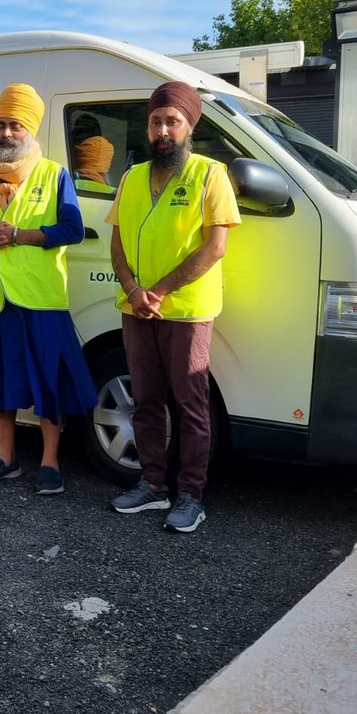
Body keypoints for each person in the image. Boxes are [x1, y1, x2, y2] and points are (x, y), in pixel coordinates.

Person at [105, 82, 241, 532]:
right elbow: (118, 240)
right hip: (136, 306)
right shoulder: (131, 177)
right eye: (156, 121)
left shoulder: (210, 174)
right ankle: (152, 486)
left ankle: (191, 497)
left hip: (185, 310)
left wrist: (158, 291)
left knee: (190, 405)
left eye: (172, 121)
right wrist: (133, 289)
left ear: (189, 126)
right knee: (144, 399)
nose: (163, 130)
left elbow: (215, 248)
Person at [0, 83, 98, 496]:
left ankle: (50, 462)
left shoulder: (54, 174)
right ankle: (6, 458)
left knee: (48, 382)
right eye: (1, 124)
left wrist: (19, 234)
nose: (5, 133)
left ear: (31, 130)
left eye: (15, 125)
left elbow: (72, 229)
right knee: (0, 378)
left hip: (39, 297)